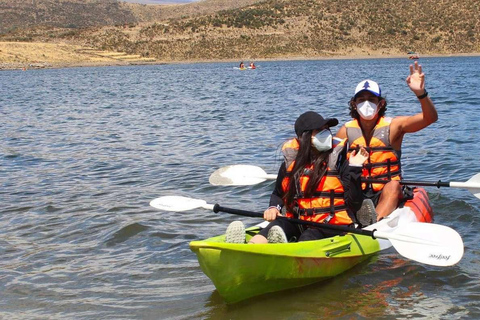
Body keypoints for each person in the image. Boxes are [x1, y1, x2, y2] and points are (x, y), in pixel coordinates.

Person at [225, 111, 368, 244]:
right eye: (319, 130)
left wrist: (355, 168)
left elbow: (354, 203)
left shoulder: (340, 160)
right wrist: (274, 207)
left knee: (310, 235)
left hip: (332, 226)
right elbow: (278, 194)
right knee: (278, 225)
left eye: (327, 129)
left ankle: (282, 252)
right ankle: (249, 247)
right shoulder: (291, 164)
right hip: (301, 221)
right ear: (304, 137)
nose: (326, 134)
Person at [335, 61, 438, 222]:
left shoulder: (395, 126)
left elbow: (430, 118)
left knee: (393, 185)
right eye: (361, 99)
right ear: (354, 105)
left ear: (380, 103)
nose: (366, 103)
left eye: (371, 99)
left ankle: (373, 223)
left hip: (384, 190)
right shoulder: (345, 131)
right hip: (356, 190)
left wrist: (421, 93)